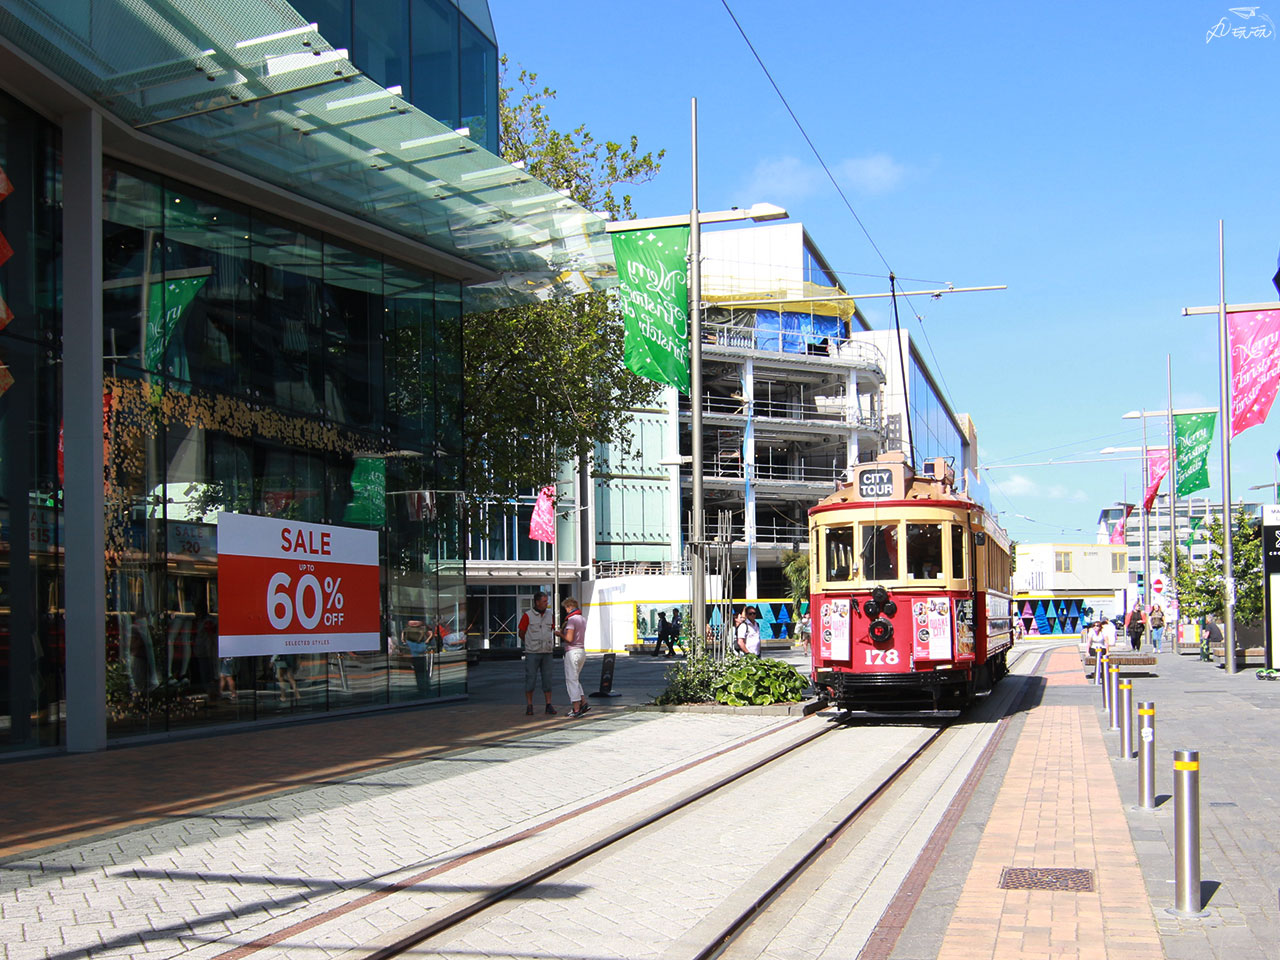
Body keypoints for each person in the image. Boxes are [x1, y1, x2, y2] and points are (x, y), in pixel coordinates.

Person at [519, 591, 556, 716]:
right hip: (532, 652)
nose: (547, 603)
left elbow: (552, 629)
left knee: (548, 679)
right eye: (544, 601)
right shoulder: (527, 616)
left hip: (547, 652)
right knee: (531, 679)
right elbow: (521, 632)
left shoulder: (550, 615)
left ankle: (548, 704)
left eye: (547, 601)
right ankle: (529, 705)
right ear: (537, 602)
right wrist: (529, 643)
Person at [559, 597, 589, 718]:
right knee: (575, 679)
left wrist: (560, 634)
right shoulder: (583, 619)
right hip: (581, 651)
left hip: (572, 652)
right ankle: (584, 702)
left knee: (571, 680)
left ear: (569, 607)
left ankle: (576, 708)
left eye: (566, 608)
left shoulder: (571, 620)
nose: (566, 611)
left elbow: (570, 639)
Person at [401, 619, 433, 695]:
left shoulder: (423, 629)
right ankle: (422, 687)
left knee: (422, 670)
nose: (414, 622)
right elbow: (403, 634)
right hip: (413, 649)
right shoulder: (407, 629)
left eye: (417, 620)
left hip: (420, 649)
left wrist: (427, 641)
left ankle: (424, 687)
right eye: (412, 621)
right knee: (419, 670)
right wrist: (403, 641)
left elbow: (430, 634)